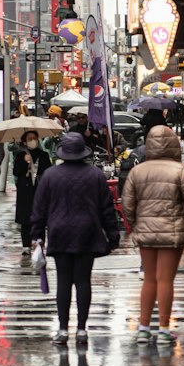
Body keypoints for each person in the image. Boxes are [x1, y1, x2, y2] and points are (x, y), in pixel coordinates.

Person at [30, 131, 120, 346]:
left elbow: (39, 208)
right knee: (82, 281)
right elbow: (107, 208)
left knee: (63, 281)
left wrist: (37, 235)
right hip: (87, 231)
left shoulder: (50, 175)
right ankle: (81, 329)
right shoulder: (95, 175)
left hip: (59, 232)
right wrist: (113, 235)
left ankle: (62, 329)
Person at [122, 124, 184, 349]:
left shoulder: (138, 171)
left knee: (149, 279)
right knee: (165, 279)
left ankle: (143, 328)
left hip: (146, 231)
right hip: (173, 231)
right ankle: (165, 330)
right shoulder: (180, 170)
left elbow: (127, 205)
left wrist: (138, 222)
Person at [12, 129, 50, 260]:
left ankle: (39, 243)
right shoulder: (20, 155)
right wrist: (25, 161)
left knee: (40, 219)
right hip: (25, 191)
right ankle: (25, 246)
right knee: (25, 220)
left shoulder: (43, 155)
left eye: (34, 138)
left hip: (39, 190)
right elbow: (16, 172)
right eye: (29, 139)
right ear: (24, 141)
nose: (32, 141)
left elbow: (48, 172)